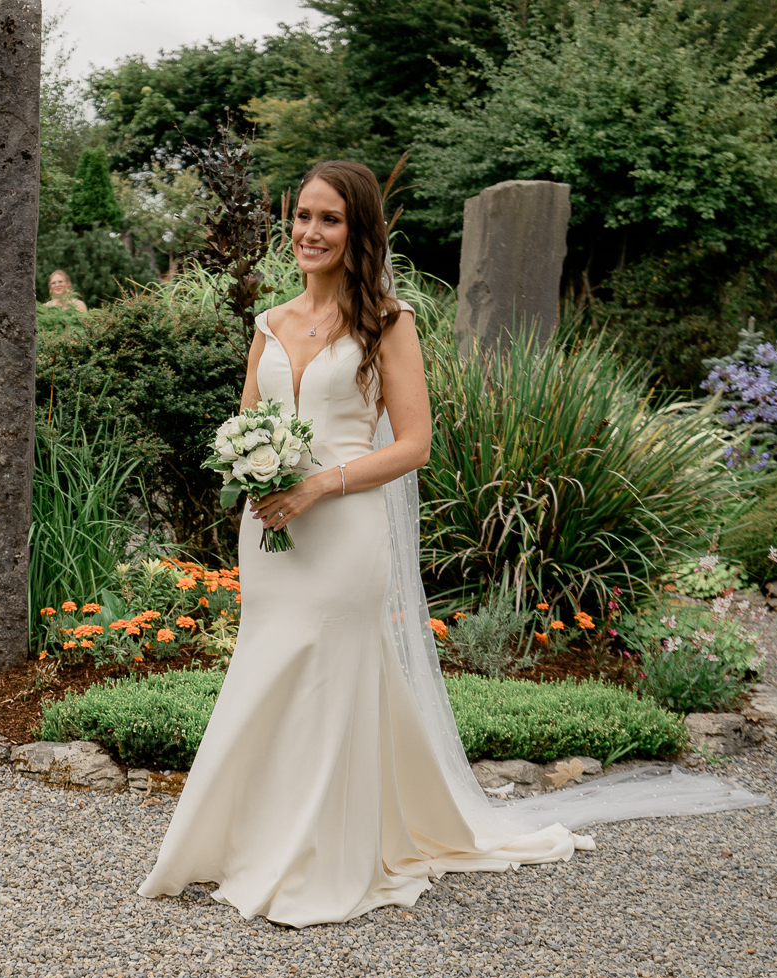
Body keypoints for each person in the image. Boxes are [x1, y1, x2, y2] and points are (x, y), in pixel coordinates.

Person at [137, 160, 596, 927]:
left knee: (327, 680)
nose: (309, 233)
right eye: (302, 217)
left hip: (344, 527)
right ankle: (247, 842)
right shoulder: (271, 324)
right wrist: (249, 474)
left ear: (359, 232)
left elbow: (413, 445)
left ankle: (323, 859)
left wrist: (318, 484)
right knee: (266, 674)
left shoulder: (388, 321)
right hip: (271, 530)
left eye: (329, 220)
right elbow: (243, 425)